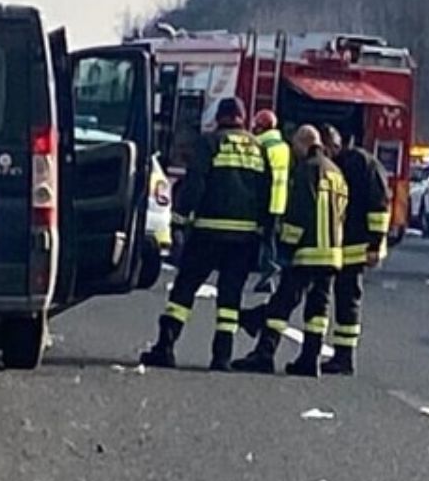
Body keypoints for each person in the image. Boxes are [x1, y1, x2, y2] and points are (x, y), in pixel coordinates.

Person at [139, 97, 272, 371]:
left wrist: (178, 220)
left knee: (184, 290)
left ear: (219, 118)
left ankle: (165, 347)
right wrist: (263, 230)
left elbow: (195, 184)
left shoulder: (209, 143)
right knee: (230, 300)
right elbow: (266, 192)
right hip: (245, 238)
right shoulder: (258, 149)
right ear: (243, 118)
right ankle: (221, 357)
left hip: (208, 232)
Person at [233, 125, 348, 377]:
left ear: (304, 143)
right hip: (332, 254)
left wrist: (286, 245)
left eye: (295, 146)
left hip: (307, 252)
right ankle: (310, 359)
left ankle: (264, 353)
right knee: (318, 310)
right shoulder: (336, 172)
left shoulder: (307, 170)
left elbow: (299, 210)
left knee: (281, 305)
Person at [318, 125, 391, 376]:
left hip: (357, 246)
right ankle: (341, 355)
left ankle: (344, 357)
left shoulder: (358, 164)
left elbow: (379, 206)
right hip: (347, 244)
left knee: (348, 299)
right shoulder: (351, 163)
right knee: (342, 297)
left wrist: (374, 243)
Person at [252, 109, 290, 293]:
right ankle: (268, 273)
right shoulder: (283, 146)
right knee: (270, 238)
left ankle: (268, 271)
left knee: (264, 240)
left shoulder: (260, 146)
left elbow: (259, 176)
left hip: (263, 200)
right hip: (279, 201)